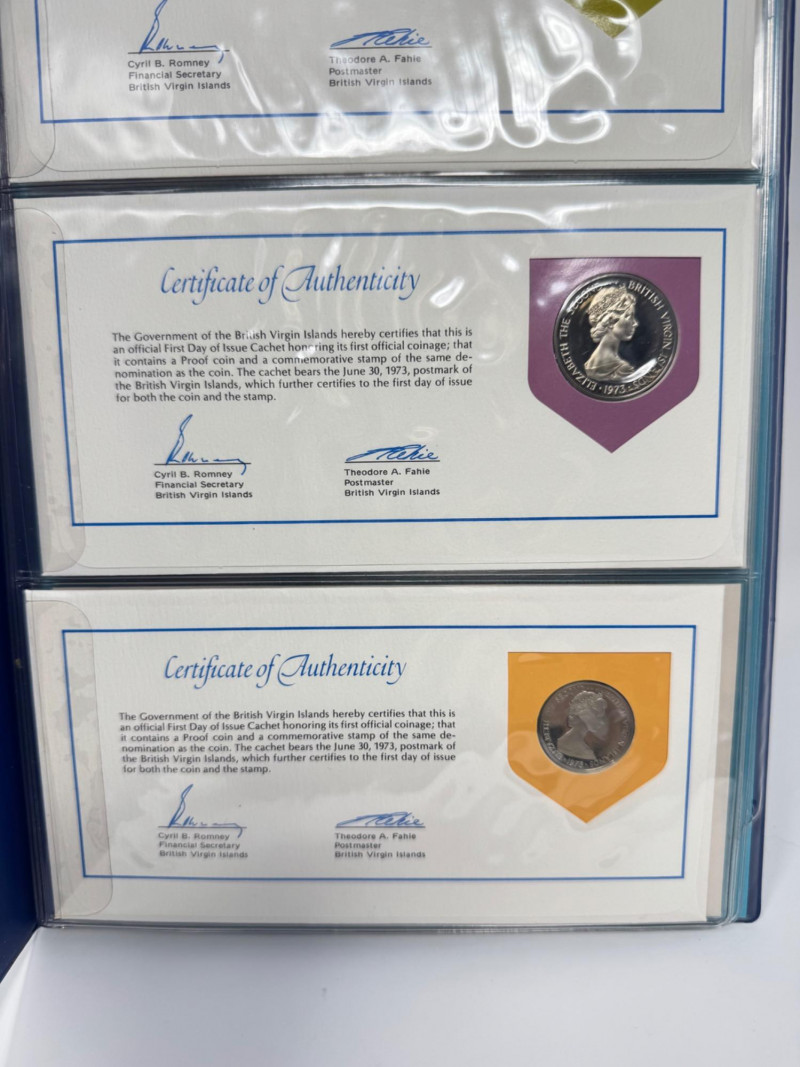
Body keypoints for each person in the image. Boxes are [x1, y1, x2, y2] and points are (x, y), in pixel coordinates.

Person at [584, 285, 638, 382]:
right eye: (629, 316)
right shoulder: (623, 370)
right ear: (611, 321)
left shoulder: (588, 365)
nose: (635, 323)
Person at [556, 690, 611, 761]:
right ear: (584, 714)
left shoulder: (584, 747)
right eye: (596, 713)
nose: (601, 721)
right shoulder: (570, 745)